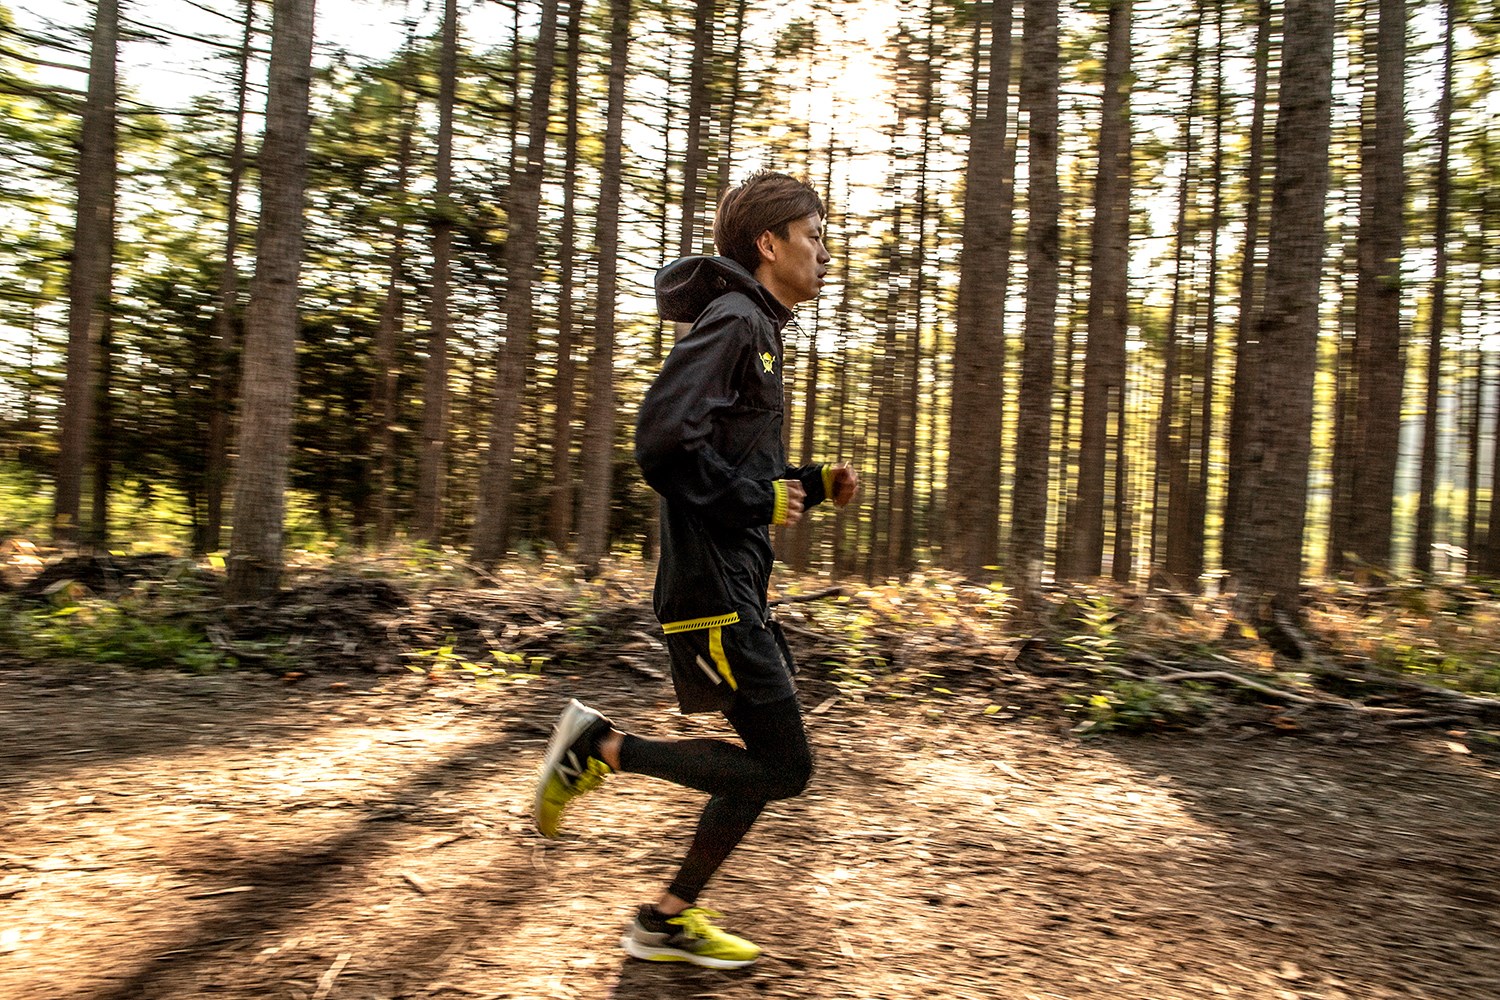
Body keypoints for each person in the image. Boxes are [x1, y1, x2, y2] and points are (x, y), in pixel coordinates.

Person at [532, 170, 859, 970]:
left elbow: (729, 460)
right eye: (814, 235)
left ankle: (665, 918)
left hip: (731, 581)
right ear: (769, 242)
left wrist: (806, 486)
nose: (824, 253)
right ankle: (599, 747)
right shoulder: (738, 319)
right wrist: (756, 500)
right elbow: (663, 443)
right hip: (714, 590)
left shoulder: (757, 327)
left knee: (762, 766)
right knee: (783, 766)